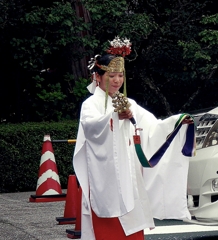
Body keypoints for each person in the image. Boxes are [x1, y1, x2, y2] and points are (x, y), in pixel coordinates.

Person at [72, 37, 195, 240]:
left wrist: (177, 123)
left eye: (120, 75)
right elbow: (91, 128)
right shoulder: (90, 104)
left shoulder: (130, 103)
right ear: (98, 77)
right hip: (105, 178)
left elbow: (153, 127)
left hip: (129, 175)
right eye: (111, 75)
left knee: (133, 225)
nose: (117, 80)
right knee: (109, 227)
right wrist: (113, 118)